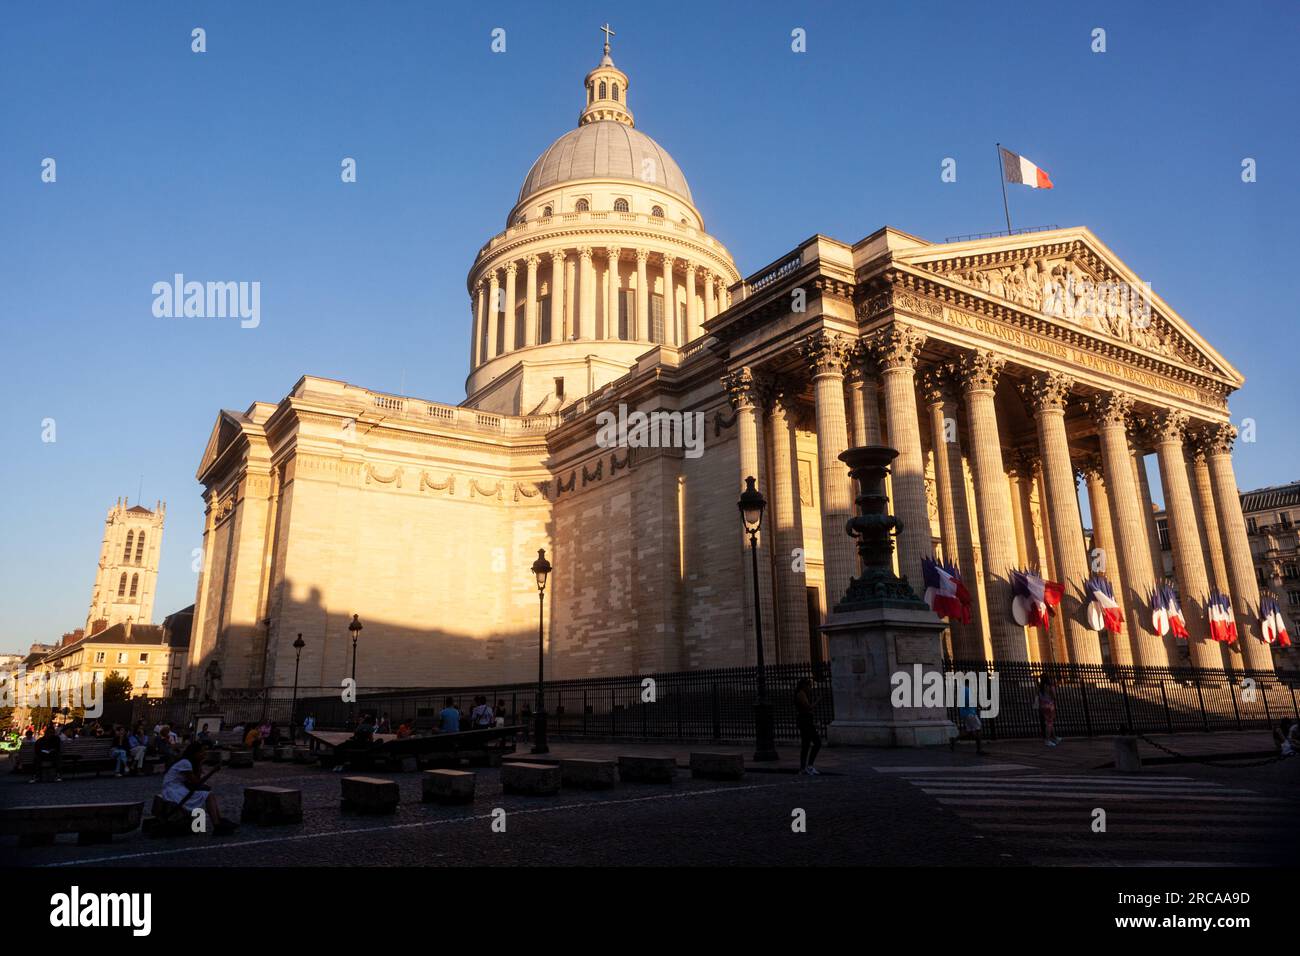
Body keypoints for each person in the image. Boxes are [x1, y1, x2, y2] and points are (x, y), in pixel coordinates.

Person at [159, 742, 236, 835]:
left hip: (177, 788)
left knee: (209, 793)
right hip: (173, 790)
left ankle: (219, 820)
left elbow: (196, 781)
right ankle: (216, 824)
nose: (204, 754)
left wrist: (200, 764)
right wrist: (211, 771)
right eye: (201, 752)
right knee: (208, 795)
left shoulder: (188, 762)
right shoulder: (185, 763)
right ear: (194, 753)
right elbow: (196, 782)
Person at [794, 678, 821, 775]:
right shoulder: (801, 694)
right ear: (804, 686)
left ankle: (803, 768)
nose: (810, 688)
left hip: (805, 721)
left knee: (805, 745)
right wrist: (817, 701)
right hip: (805, 722)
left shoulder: (802, 694)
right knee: (817, 743)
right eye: (809, 686)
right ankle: (809, 766)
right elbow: (808, 707)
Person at [1038, 674, 1060, 747]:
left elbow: (1038, 696)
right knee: (1049, 723)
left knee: (1049, 722)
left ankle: (1054, 737)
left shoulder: (1040, 687)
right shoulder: (1050, 686)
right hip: (1050, 706)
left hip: (1043, 706)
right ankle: (1047, 740)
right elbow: (1054, 696)